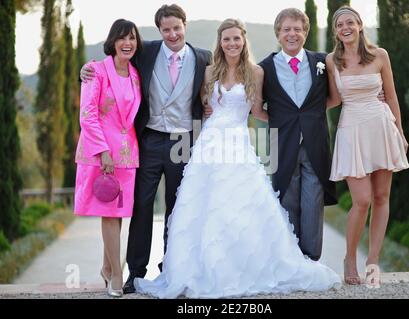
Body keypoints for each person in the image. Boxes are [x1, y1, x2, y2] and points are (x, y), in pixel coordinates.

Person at [133, 18, 341, 299]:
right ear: (220, 42)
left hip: (239, 145)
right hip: (209, 146)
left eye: (236, 38)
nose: (231, 43)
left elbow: (257, 111)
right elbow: (200, 105)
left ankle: (244, 266)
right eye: (226, 39)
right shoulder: (209, 72)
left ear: (244, 41)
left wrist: (291, 122)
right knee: (203, 206)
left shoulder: (256, 73)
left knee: (241, 206)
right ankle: (199, 268)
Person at [81, 4, 211, 294]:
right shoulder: (145, 51)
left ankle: (172, 268)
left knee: (177, 209)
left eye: (177, 28)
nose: (172, 34)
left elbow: (211, 90)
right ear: (159, 30)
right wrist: (85, 70)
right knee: (140, 206)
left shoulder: (203, 57)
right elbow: (113, 59)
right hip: (149, 138)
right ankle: (135, 272)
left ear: (185, 26)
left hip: (183, 140)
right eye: (166, 29)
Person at [326, 6, 409, 285]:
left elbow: (393, 96)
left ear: (360, 25)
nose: (345, 28)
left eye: (350, 22)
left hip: (381, 126)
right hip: (351, 130)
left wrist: (399, 132)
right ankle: (350, 258)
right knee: (361, 200)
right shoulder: (331, 61)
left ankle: (373, 260)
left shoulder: (380, 55)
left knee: (381, 198)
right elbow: (335, 99)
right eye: (339, 25)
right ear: (336, 31)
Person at [258, 8, 337, 262]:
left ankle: (311, 260)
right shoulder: (264, 68)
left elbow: (335, 97)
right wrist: (284, 122)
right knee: (286, 200)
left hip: (315, 144)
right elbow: (257, 110)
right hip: (281, 143)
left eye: (297, 29)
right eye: (286, 29)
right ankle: (290, 260)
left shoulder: (322, 62)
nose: (292, 34)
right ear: (278, 34)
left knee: (313, 202)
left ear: (305, 32)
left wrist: (310, 116)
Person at [74, 19, 142, 297]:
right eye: (122, 38)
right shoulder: (95, 70)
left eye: (133, 38)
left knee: (120, 214)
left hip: (128, 154)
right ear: (112, 41)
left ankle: (106, 265)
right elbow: (87, 114)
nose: (128, 43)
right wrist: (103, 152)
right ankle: (116, 274)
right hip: (101, 154)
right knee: (110, 214)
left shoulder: (136, 73)